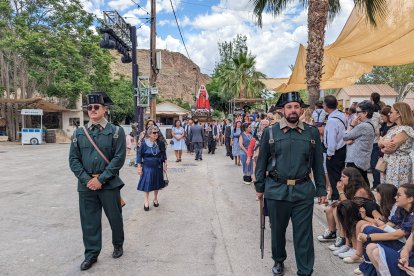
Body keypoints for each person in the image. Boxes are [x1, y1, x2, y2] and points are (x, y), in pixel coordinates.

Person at [255, 91, 326, 276]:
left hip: (303, 191)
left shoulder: (311, 133)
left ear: (301, 109)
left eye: (296, 106)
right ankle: (279, 260)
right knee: (278, 230)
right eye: (289, 107)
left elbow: (318, 162)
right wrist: (259, 187)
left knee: (304, 233)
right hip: (276, 190)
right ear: (282, 110)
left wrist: (321, 189)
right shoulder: (271, 131)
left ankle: (305, 270)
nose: (293, 110)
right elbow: (262, 160)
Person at [69, 92, 126, 271]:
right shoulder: (79, 133)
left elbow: (119, 159)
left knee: (115, 218)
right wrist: (88, 180)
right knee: (89, 221)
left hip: (109, 184)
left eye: (96, 107)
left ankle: (118, 244)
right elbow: (73, 160)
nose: (92, 110)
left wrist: (100, 180)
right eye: (89, 108)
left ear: (104, 109)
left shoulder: (116, 132)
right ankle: (91, 254)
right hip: (87, 187)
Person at [379, 102, 414, 187]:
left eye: (391, 112)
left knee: (396, 189)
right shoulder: (393, 128)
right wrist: (382, 143)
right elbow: (379, 143)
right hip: (389, 163)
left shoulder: (406, 129)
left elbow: (390, 148)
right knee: (387, 190)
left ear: (399, 114)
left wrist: (382, 142)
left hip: (399, 164)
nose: (389, 114)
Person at [343, 100, 376, 185]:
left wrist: (352, 125)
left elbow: (345, 136)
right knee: (362, 184)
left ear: (365, 113)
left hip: (356, 161)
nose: (355, 115)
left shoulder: (363, 126)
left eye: (358, 112)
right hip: (361, 160)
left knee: (356, 187)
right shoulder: (369, 124)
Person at [136, 126, 167, 211]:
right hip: (147, 167)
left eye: (157, 132)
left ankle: (155, 198)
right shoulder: (144, 143)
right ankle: (146, 201)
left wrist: (165, 164)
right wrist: (139, 167)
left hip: (158, 166)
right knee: (147, 184)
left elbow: (164, 154)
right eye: (154, 132)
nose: (156, 134)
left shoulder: (160, 143)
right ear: (149, 134)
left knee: (157, 184)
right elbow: (139, 155)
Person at [323, 95, 347, 204]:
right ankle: (337, 197)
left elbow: (331, 138)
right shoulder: (342, 116)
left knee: (334, 177)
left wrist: (329, 154)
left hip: (335, 152)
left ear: (326, 106)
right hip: (342, 149)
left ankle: (336, 200)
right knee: (338, 175)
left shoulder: (332, 120)